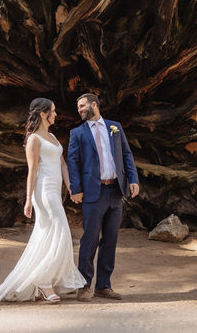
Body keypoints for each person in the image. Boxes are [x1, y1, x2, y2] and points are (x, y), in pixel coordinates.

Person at [0, 98, 85, 305]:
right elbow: (33, 171)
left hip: (56, 190)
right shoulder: (34, 139)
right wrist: (28, 200)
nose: (56, 114)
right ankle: (45, 284)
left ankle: (46, 281)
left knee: (49, 235)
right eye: (53, 111)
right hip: (44, 192)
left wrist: (71, 186)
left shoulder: (52, 137)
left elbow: (62, 164)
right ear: (43, 113)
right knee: (61, 231)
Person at [66, 92, 140, 301]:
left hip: (115, 191)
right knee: (89, 239)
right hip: (92, 192)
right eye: (78, 107)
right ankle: (84, 285)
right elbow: (73, 163)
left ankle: (104, 286)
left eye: (82, 106)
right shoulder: (77, 133)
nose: (79, 110)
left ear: (95, 105)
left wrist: (132, 180)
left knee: (110, 239)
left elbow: (126, 154)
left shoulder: (115, 127)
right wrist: (76, 188)